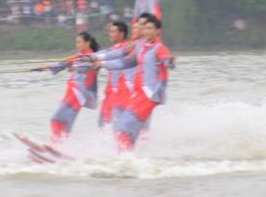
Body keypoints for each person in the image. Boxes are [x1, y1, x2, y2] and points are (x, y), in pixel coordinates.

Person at [94, 14, 174, 151]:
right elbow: (123, 59)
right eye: (145, 28)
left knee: (123, 127)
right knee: (122, 128)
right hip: (137, 94)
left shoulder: (159, 47)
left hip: (149, 95)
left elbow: (167, 59)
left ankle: (127, 158)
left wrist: (169, 61)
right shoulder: (140, 46)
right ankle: (127, 157)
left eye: (150, 28)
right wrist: (100, 62)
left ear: (157, 32)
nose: (146, 31)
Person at [44, 32, 100, 142]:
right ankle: (61, 144)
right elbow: (66, 62)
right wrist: (49, 66)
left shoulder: (90, 57)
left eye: (79, 42)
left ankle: (58, 143)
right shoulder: (79, 56)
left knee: (57, 118)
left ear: (87, 43)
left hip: (79, 93)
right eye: (76, 42)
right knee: (64, 121)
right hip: (72, 91)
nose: (77, 45)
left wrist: (73, 66)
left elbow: (85, 66)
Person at [97, 21, 130, 128]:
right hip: (110, 93)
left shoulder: (127, 48)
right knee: (102, 124)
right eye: (110, 31)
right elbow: (98, 55)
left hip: (122, 93)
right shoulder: (112, 49)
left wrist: (99, 61)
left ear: (121, 34)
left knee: (116, 124)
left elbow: (105, 57)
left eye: (113, 31)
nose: (110, 34)